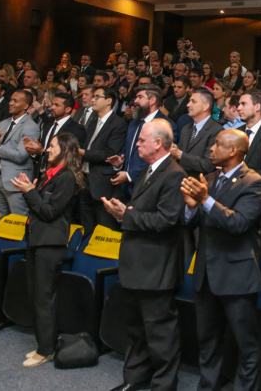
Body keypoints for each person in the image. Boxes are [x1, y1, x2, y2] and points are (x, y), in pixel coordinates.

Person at [181, 130, 261, 390]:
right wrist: (191, 206)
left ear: (233, 151)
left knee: (246, 345)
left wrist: (205, 200)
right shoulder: (207, 178)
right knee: (208, 343)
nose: (211, 148)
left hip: (236, 277)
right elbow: (191, 222)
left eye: (217, 144)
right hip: (206, 274)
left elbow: (239, 223)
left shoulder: (255, 183)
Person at [101, 119, 186, 391]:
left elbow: (167, 221)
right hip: (138, 266)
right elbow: (143, 212)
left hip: (156, 269)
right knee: (136, 331)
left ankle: (163, 386)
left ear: (158, 143)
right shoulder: (150, 170)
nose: (136, 144)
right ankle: (134, 381)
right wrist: (125, 210)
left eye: (141, 140)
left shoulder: (174, 174)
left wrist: (127, 214)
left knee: (161, 335)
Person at [7, 132, 83, 367]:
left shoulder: (67, 177)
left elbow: (49, 212)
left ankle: (46, 350)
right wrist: (31, 189)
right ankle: (45, 344)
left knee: (44, 298)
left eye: (52, 146)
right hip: (36, 240)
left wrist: (29, 192)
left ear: (66, 150)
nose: (47, 150)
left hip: (51, 244)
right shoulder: (49, 175)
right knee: (36, 295)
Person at [0, 90, 41, 216]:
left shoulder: (31, 127)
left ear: (26, 106)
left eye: (15, 101)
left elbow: (20, 156)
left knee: (18, 218)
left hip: (16, 180)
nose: (10, 103)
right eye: (10, 100)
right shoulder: (3, 123)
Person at [79, 87, 128, 233]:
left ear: (108, 101)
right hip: (84, 181)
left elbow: (109, 153)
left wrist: (82, 152)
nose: (92, 100)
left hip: (103, 184)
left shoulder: (118, 124)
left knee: (104, 229)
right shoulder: (92, 121)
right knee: (87, 229)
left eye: (96, 97)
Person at [172, 87, 223, 178]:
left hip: (198, 185)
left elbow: (208, 165)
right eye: (189, 101)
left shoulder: (217, 131)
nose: (188, 105)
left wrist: (180, 154)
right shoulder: (186, 128)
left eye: (193, 101)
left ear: (205, 106)